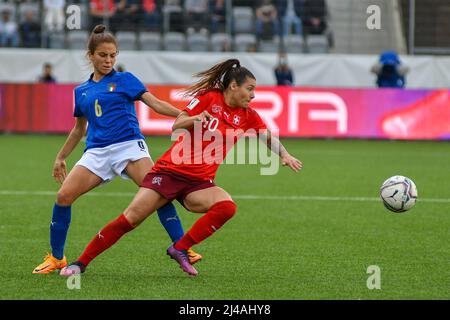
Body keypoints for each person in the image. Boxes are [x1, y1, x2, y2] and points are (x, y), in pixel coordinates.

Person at [59, 58, 303, 277]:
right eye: (250, 89)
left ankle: (179, 247)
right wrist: (195, 119)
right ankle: (81, 263)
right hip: (169, 172)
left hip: (199, 183)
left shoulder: (248, 115)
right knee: (130, 219)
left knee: (227, 207)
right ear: (233, 86)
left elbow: (267, 136)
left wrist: (285, 154)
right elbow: (177, 124)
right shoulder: (209, 98)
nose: (253, 95)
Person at [32, 24, 202, 274]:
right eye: (103, 55)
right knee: (63, 197)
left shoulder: (125, 80)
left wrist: (187, 117)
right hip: (97, 152)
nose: (108, 60)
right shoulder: (81, 91)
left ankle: (183, 248)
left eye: (113, 55)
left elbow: (154, 103)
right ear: (90, 55)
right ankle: (57, 258)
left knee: (157, 191)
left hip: (129, 146)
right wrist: (60, 157)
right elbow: (79, 129)